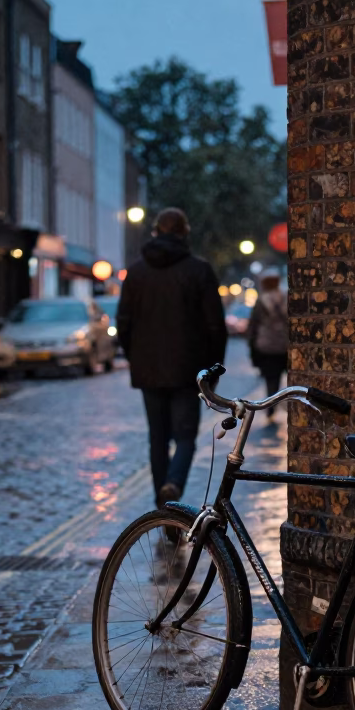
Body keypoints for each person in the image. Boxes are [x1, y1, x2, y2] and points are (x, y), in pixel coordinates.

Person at [117, 207, 227, 506]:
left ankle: (162, 507)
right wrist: (212, 372)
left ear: (155, 232)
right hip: (187, 370)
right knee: (186, 437)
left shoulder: (136, 272)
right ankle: (174, 484)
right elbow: (215, 326)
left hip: (148, 370)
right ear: (184, 233)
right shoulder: (199, 270)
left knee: (158, 438)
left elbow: (123, 322)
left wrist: (134, 358)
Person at [248, 267, 288, 417]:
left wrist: (252, 345)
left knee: (271, 379)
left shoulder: (261, 301)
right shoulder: (286, 298)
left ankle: (271, 406)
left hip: (266, 347)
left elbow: (253, 326)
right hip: (286, 345)